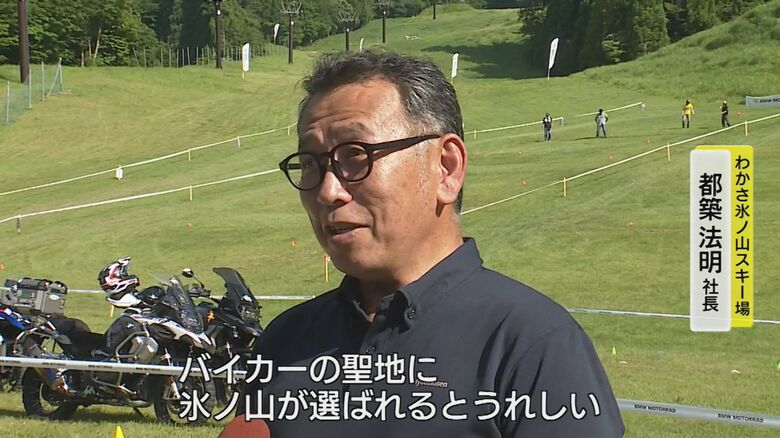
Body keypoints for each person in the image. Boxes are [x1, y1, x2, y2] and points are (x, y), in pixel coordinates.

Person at [236, 52, 624, 437]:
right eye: (310, 164)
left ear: (446, 168)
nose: (327, 191)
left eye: (355, 155)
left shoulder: (532, 344)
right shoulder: (284, 342)